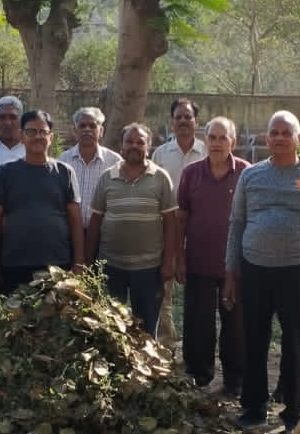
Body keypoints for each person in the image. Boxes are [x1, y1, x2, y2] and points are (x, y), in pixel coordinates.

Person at [223, 110, 300, 434]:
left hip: (297, 272)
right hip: (254, 270)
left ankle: (293, 410)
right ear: (266, 138)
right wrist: (230, 273)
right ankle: (254, 407)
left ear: (299, 139)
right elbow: (237, 225)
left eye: (287, 132)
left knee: (296, 341)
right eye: (275, 132)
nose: (281, 138)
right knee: (254, 339)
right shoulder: (251, 176)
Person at [177, 116, 249, 397]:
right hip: (198, 261)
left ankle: (235, 380)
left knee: (236, 325)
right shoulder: (191, 173)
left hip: (235, 266)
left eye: (223, 138)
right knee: (198, 323)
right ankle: (198, 376)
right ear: (204, 141)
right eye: (212, 137)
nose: (217, 143)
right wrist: (179, 258)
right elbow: (181, 218)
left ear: (233, 141)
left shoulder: (246, 172)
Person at [85, 123, 175, 333]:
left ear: (149, 147)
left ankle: (147, 365)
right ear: (121, 146)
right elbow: (95, 221)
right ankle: (116, 366)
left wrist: (169, 262)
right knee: (109, 326)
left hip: (149, 268)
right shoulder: (107, 177)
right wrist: (89, 261)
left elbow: (171, 223)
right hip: (111, 266)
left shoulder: (161, 177)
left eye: (140, 142)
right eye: (129, 141)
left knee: (145, 327)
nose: (134, 146)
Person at [0, 109, 84, 295]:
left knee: (54, 323)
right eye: (31, 131)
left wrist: (78, 263)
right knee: (15, 322)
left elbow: (75, 221)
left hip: (57, 265)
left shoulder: (65, 172)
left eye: (43, 132)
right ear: (22, 136)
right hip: (14, 263)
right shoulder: (5, 173)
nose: (37, 137)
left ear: (51, 137)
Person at [151, 98, 207, 345]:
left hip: (200, 232)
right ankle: (166, 343)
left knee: (198, 294)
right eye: (178, 117)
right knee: (164, 292)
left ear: (197, 122)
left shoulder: (209, 151)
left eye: (188, 116)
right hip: (166, 231)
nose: (183, 121)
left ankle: (196, 346)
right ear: (171, 123)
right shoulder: (160, 154)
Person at [58, 107, 121, 209]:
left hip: (103, 224)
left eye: (92, 126)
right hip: (69, 224)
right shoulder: (63, 160)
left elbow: (118, 195)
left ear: (101, 131)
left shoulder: (114, 161)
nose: (87, 129)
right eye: (82, 126)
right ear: (75, 131)